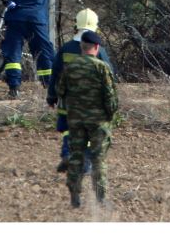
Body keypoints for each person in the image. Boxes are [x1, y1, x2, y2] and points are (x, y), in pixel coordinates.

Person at [47, 8, 115, 173]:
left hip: (67, 103)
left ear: (76, 25)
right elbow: (110, 74)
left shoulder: (65, 49)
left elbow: (55, 73)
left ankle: (66, 154)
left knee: (68, 130)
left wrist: (51, 96)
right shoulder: (99, 51)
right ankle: (85, 162)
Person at [56, 30, 118, 208]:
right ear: (96, 47)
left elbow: (61, 92)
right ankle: (101, 198)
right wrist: (110, 115)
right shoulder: (101, 67)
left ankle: (74, 195)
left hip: (75, 120)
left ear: (82, 47)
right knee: (98, 159)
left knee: (76, 156)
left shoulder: (71, 67)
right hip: (98, 121)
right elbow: (111, 97)